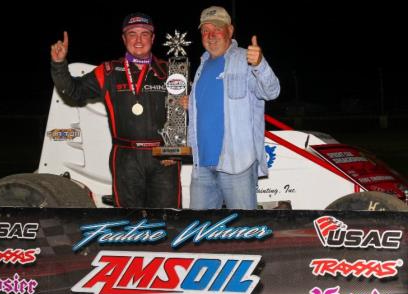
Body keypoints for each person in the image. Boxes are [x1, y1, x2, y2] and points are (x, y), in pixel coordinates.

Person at [50, 12, 181, 208]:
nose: (138, 40)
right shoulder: (109, 71)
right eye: (132, 34)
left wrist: (175, 151)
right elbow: (74, 91)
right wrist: (59, 65)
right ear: (123, 38)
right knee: (128, 220)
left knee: (167, 219)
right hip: (126, 158)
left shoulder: (171, 71)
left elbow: (183, 115)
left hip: (164, 158)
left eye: (144, 34)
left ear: (153, 38)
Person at [187, 6, 280, 209]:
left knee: (243, 233)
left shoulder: (245, 58)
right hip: (201, 167)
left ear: (230, 30)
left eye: (217, 29)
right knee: (198, 235)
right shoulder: (201, 66)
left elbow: (271, 92)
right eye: (205, 31)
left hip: (236, 166)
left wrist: (260, 64)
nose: (210, 36)